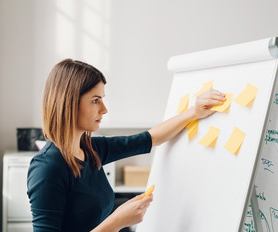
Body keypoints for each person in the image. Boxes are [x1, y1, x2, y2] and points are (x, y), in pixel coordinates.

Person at [27, 58, 225, 232]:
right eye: (95, 100)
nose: (104, 109)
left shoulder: (91, 149)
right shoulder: (47, 168)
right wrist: (116, 222)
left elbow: (150, 138)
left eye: (102, 99)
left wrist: (194, 112)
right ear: (68, 103)